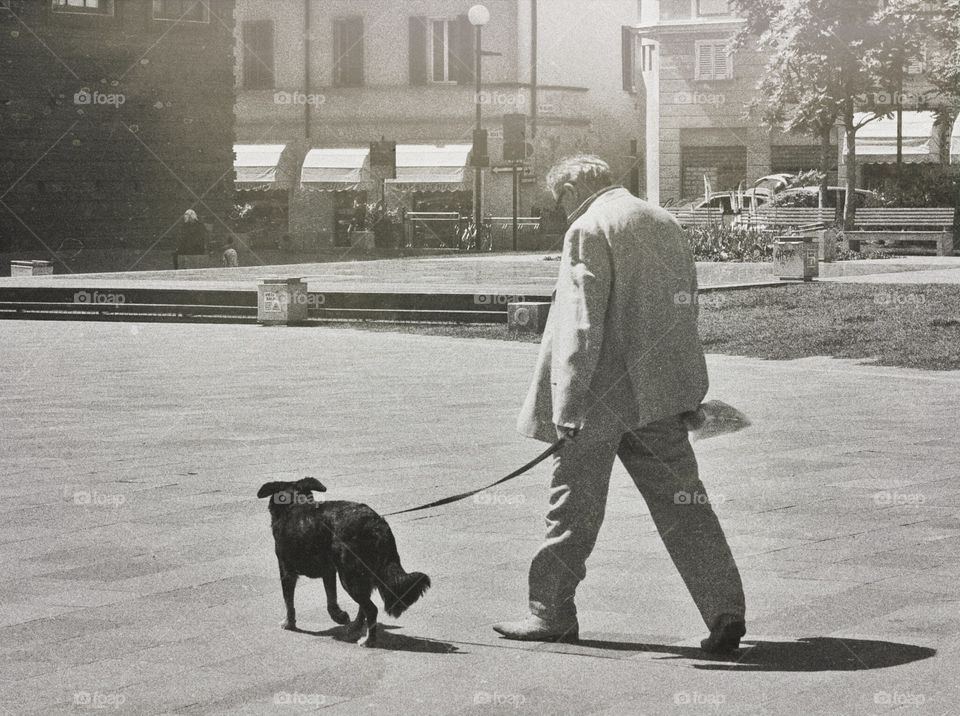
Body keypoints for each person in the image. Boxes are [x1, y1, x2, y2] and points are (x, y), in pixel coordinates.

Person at [492, 155, 746, 654]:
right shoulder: (662, 219)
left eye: (558, 198)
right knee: (686, 507)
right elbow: (685, 301)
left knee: (572, 511)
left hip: (597, 400)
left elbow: (582, 323)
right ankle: (724, 610)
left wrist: (567, 403)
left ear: (570, 187)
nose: (561, 209)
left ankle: (551, 613)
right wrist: (685, 389)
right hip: (657, 397)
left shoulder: (589, 227)